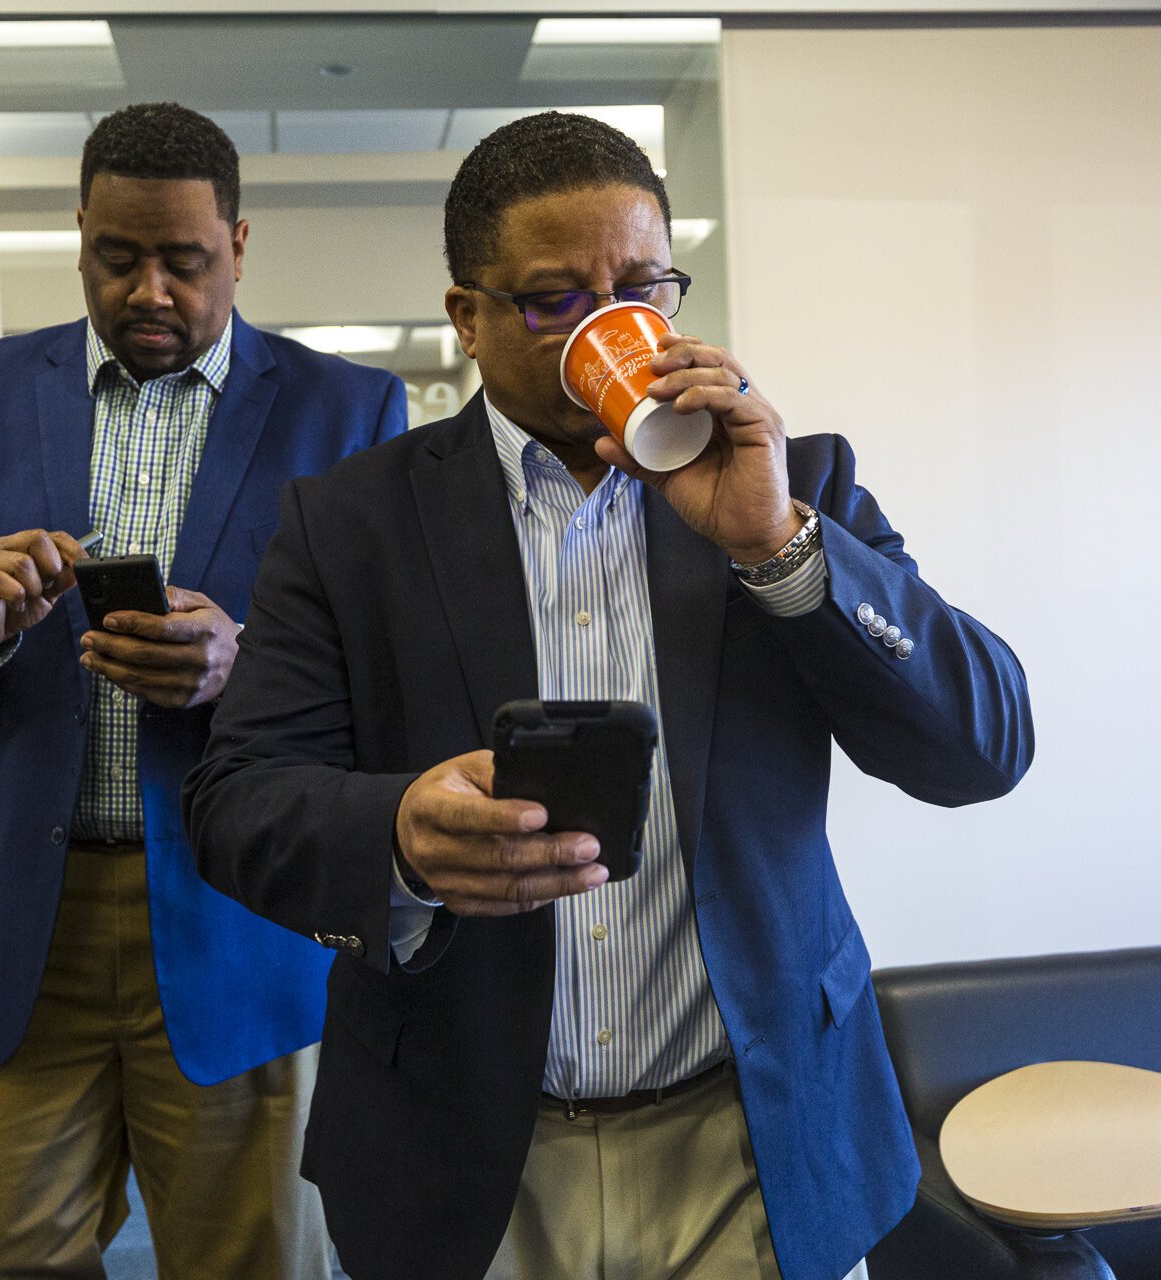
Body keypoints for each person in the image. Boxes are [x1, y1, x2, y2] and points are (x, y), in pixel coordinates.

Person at [182, 111, 1033, 1280]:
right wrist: (396, 837)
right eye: (551, 299)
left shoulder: (795, 482)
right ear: (466, 319)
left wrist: (778, 547)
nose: (608, 325)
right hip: (467, 1150)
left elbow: (981, 747)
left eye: (643, 286)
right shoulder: (348, 522)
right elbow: (236, 800)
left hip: (751, 1139)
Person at [0, 102, 407, 1279]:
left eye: (184, 261)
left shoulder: (349, 414)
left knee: (257, 1258)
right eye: (117, 257)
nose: (151, 290)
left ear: (238, 247)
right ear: (78, 233)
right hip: (4, 927)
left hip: (239, 919)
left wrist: (242, 671)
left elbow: (396, 688)